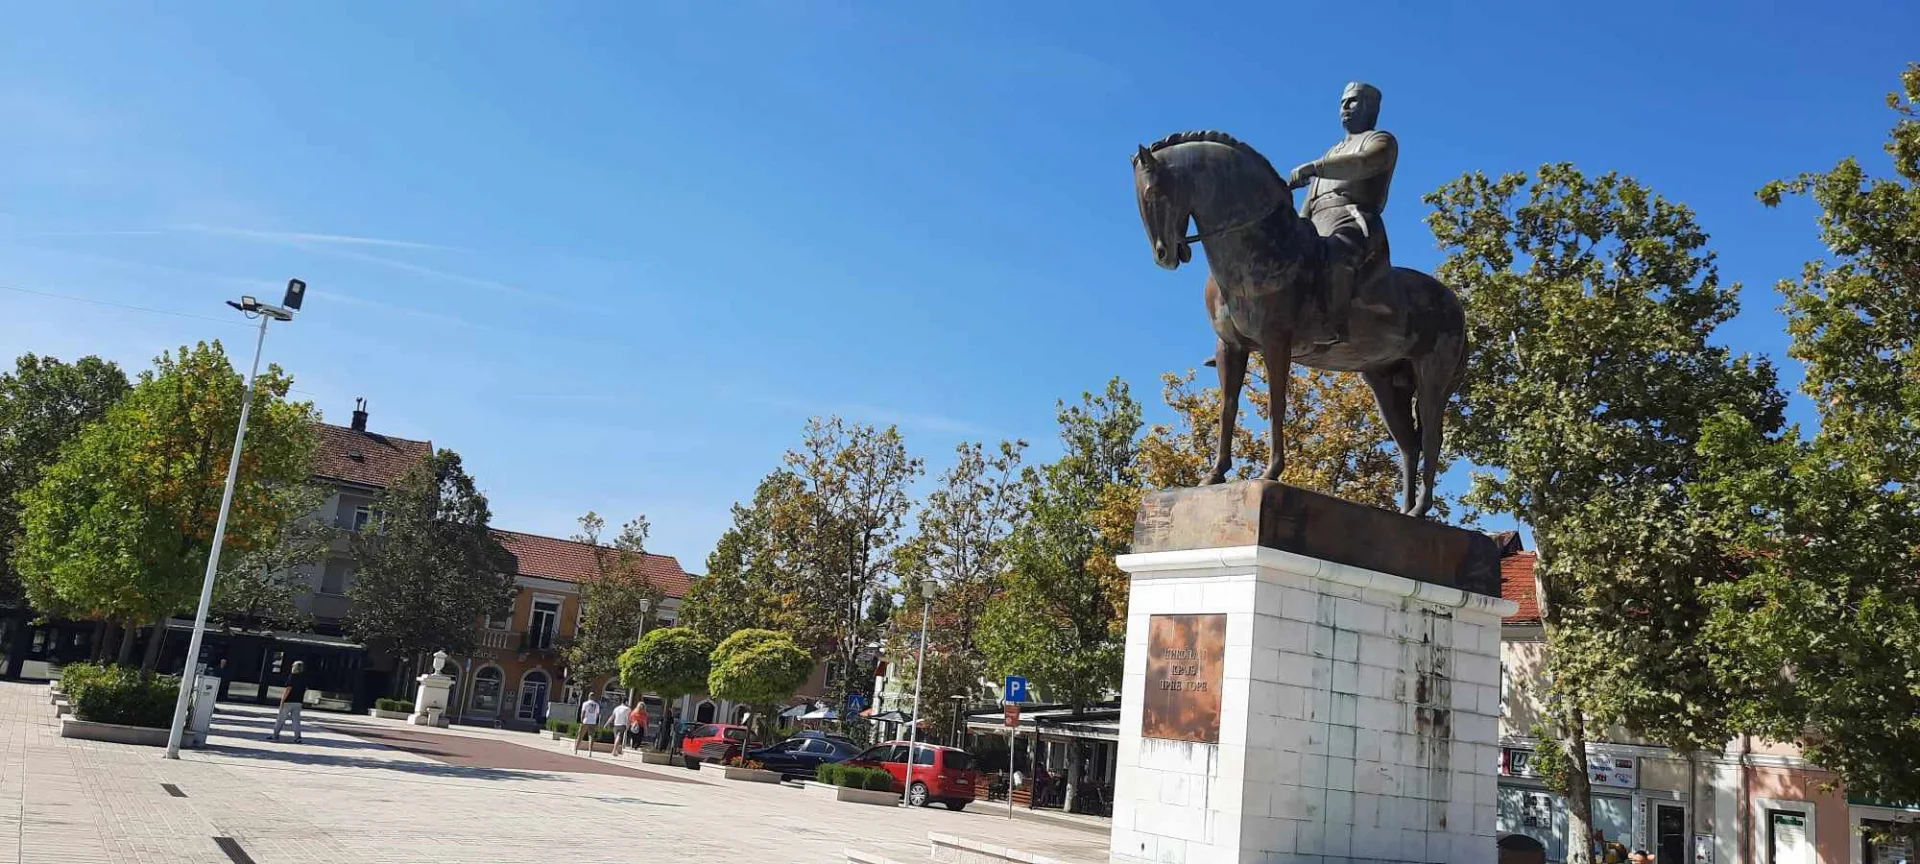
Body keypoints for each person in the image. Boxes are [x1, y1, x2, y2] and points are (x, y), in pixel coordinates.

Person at [1286, 81, 1398, 347]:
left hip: (1352, 217)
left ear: (1371, 107)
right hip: (1317, 222)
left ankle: (1331, 325)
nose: (1345, 107)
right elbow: (1310, 200)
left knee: (1339, 252)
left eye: (1353, 101)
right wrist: (1295, 226)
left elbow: (1363, 163)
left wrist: (1316, 167)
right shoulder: (1332, 151)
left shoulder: (1380, 140)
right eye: (1342, 102)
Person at [269, 660, 308, 743]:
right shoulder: (304, 678)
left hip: (288, 701)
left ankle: (275, 735)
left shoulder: (292, 677)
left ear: (294, 667)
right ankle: (298, 737)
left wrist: (282, 700)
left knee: (280, 719)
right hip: (298, 702)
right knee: (296, 721)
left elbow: (288, 689)